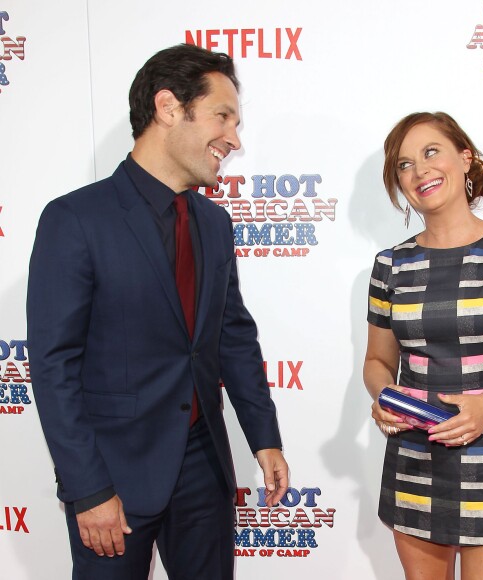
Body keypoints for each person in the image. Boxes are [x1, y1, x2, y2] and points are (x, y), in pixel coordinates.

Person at [27, 43, 289, 580]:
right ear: (169, 107)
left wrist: (264, 436)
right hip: (114, 481)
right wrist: (88, 488)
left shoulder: (213, 225)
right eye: (223, 117)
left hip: (204, 469)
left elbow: (232, 336)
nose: (234, 140)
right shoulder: (75, 219)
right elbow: (53, 368)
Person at [364, 112, 483, 579]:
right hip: (415, 457)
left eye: (432, 153)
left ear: (464, 159)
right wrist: (384, 397)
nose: (420, 171)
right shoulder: (390, 265)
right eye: (404, 165)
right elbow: (377, 360)